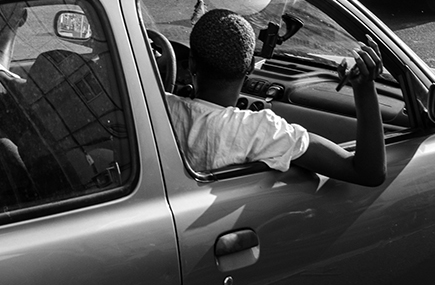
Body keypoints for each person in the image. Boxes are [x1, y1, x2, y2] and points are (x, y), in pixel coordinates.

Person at [164, 9, 385, 185]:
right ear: (250, 66)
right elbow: (368, 173)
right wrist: (364, 88)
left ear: (192, 63)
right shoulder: (259, 130)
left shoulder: (159, 110)